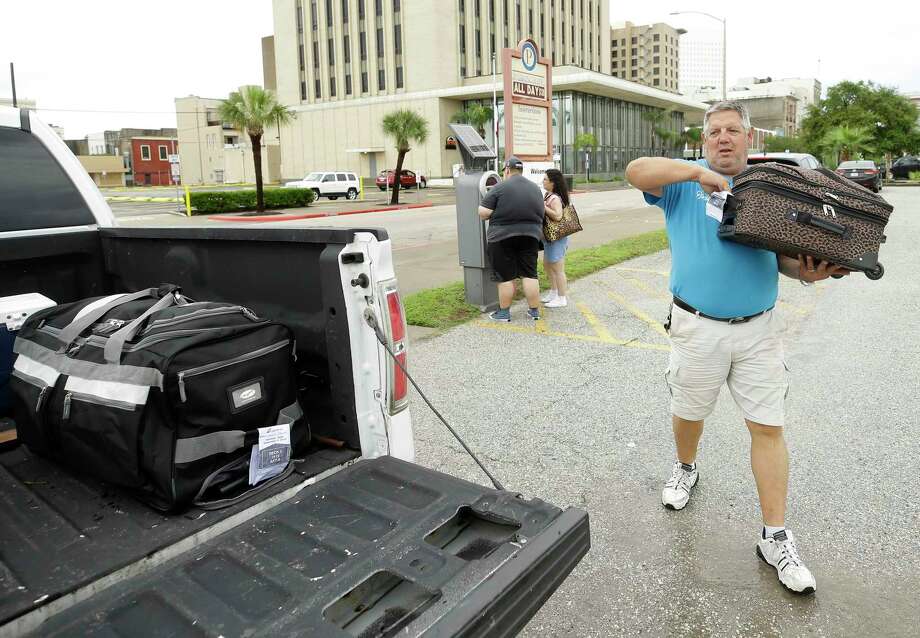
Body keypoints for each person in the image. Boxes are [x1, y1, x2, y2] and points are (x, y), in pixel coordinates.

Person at [625, 101, 850, 595]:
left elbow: (786, 261)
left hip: (758, 331)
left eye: (733, 131)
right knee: (689, 412)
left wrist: (806, 273)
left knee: (768, 427)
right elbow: (635, 171)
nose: (723, 138)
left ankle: (775, 536)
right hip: (696, 327)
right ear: (704, 141)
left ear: (751, 139)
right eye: (714, 132)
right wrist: (696, 173)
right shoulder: (682, 185)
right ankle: (686, 469)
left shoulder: (769, 190)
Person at [478, 156, 545, 321]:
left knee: (505, 277)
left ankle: (504, 313)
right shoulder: (535, 189)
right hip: (530, 236)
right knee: (530, 274)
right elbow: (541, 211)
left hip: (502, 237)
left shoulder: (500, 187)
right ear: (521, 170)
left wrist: (500, 211)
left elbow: (483, 212)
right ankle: (534, 311)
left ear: (507, 170)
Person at [540, 168, 571, 308]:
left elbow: (558, 216)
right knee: (548, 265)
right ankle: (553, 292)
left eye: (545, 179)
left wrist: (543, 207)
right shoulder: (549, 195)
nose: (543, 181)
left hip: (557, 237)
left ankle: (561, 298)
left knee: (558, 268)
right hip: (550, 237)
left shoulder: (554, 198)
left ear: (553, 183)